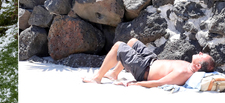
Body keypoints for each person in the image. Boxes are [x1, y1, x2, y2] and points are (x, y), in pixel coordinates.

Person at [82, 38, 215, 88]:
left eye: (203, 56)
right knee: (132, 42)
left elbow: (159, 83)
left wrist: (135, 83)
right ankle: (114, 73)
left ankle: (97, 78)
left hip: (143, 70)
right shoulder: (188, 66)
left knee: (118, 45)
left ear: (198, 66)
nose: (201, 53)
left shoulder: (184, 72)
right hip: (151, 61)